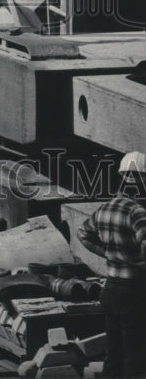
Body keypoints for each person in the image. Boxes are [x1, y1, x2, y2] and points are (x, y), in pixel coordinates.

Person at [78, 151, 146, 377]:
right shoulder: (137, 213)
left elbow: (82, 234)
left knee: (113, 352)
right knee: (135, 354)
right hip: (133, 290)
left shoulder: (105, 209)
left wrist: (107, 252)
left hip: (111, 289)